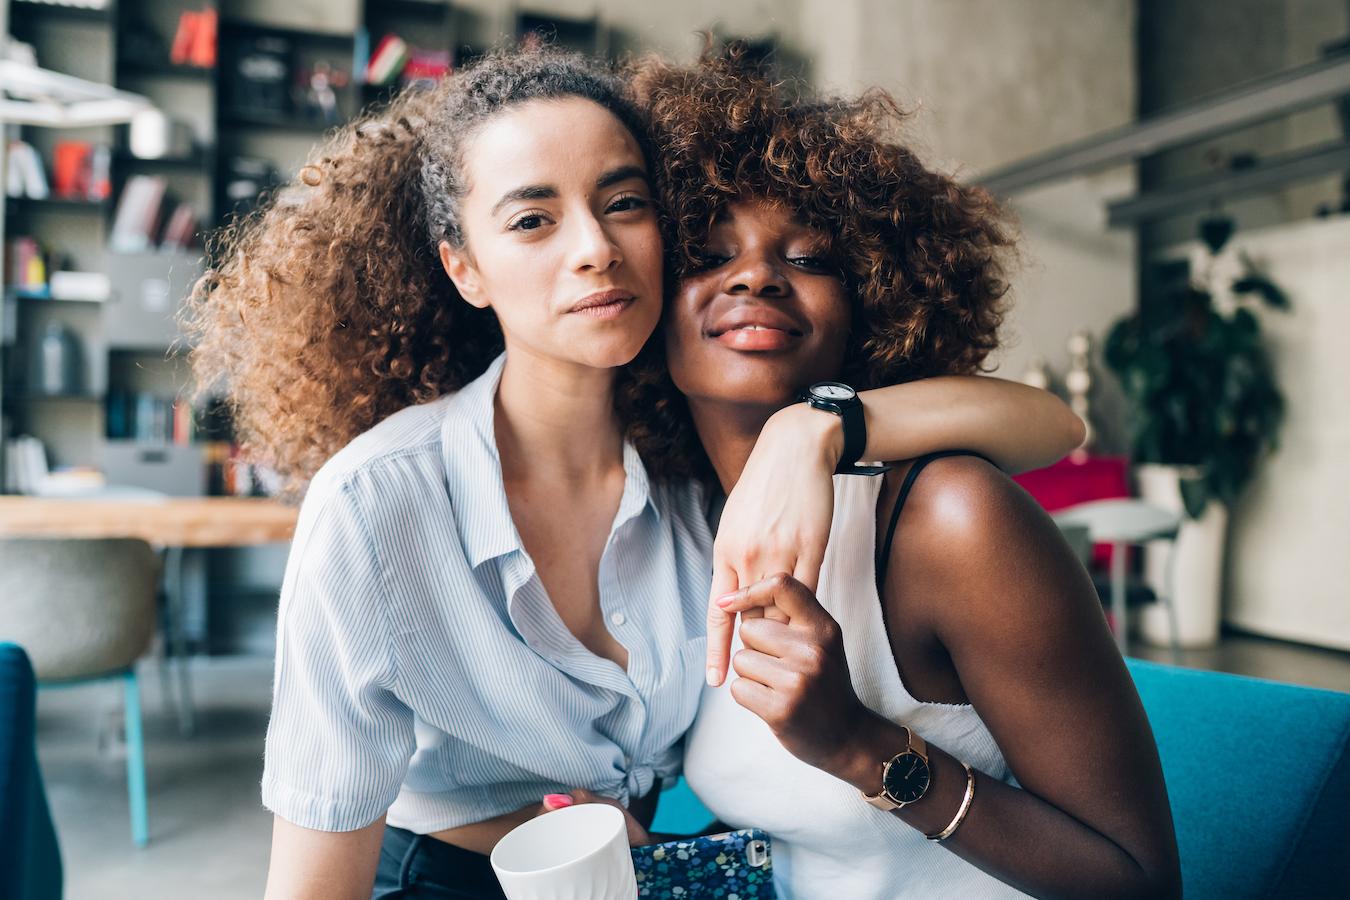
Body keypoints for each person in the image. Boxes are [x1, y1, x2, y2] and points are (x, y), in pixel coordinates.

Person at [185, 47, 1083, 900]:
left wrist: (818, 425)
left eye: (623, 203)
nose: (594, 249)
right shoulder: (375, 507)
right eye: (533, 220)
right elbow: (313, 880)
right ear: (465, 267)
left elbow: (1049, 423)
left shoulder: (702, 459)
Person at [616, 52, 1182, 899]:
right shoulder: (682, 519)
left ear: (872, 303)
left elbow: (1138, 883)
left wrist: (855, 742)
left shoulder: (953, 522)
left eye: (810, 257)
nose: (759, 274)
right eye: (706, 252)